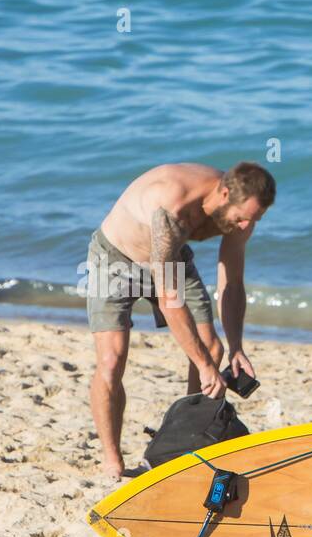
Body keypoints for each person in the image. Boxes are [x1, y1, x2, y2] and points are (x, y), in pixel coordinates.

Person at [85, 161, 275, 478]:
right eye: (242, 218)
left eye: (253, 220)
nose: (245, 227)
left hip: (171, 259)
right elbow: (169, 296)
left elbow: (232, 281)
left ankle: (182, 443)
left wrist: (236, 347)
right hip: (116, 259)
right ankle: (113, 461)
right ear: (225, 193)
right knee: (112, 357)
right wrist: (202, 366)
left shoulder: (243, 213)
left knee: (212, 349)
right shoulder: (171, 205)